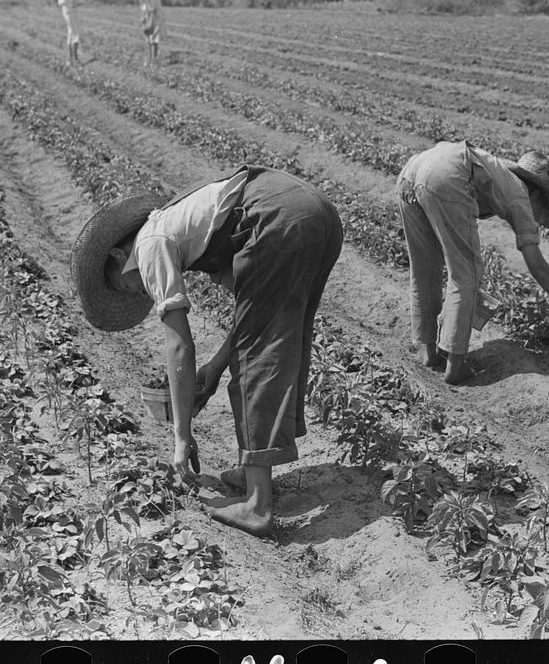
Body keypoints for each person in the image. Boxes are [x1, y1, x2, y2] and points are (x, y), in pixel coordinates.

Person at [71, 165, 344, 537]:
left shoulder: (150, 244)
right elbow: (251, 312)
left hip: (278, 218)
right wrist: (215, 367)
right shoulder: (188, 229)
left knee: (255, 360)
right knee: (271, 339)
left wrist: (182, 436)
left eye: (125, 287)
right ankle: (253, 474)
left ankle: (258, 506)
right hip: (314, 211)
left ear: (120, 256)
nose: (137, 292)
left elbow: (180, 344)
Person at [396, 140, 549, 385]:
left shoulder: (499, 174)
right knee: (467, 271)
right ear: (537, 194)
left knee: (426, 269)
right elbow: (537, 265)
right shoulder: (520, 194)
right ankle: (455, 365)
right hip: (446, 175)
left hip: (412, 171)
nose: (537, 218)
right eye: (542, 209)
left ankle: (431, 354)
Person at [133, 0, 163, 64]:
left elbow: (154, 5)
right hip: (146, 12)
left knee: (154, 36)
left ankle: (155, 58)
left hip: (155, 12)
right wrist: (143, 15)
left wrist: (151, 19)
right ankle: (149, 58)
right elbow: (141, 2)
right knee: (147, 36)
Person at [57, 0, 82, 66]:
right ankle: (72, 58)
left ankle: (73, 58)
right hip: (68, 12)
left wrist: (75, 3)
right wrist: (68, 2)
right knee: (73, 32)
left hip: (74, 12)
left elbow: (76, 0)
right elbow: (60, 2)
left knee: (74, 32)